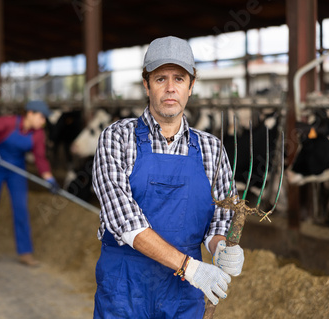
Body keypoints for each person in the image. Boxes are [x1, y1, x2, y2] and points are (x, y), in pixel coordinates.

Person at [92, 36, 245, 318]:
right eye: (160, 78)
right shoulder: (117, 138)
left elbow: (220, 220)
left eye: (179, 78)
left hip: (184, 293)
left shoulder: (212, 148)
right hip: (125, 286)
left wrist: (221, 246)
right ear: (146, 84)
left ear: (191, 86)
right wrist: (190, 267)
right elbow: (124, 220)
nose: (171, 88)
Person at [0, 100, 59, 267]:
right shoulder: (7, 122)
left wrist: (49, 178)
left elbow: (40, 158)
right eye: (41, 117)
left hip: (16, 171)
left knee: (21, 209)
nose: (43, 121)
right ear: (30, 113)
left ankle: (25, 253)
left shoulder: (38, 134)